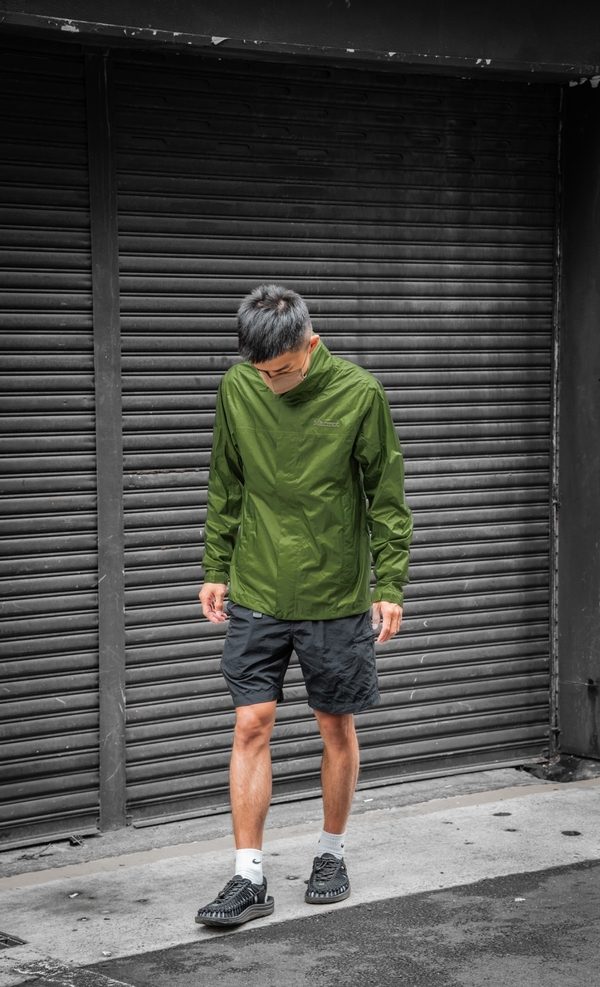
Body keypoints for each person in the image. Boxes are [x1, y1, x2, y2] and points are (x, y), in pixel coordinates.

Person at [196, 284, 412, 927]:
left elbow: (386, 497)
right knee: (250, 723)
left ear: (311, 346)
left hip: (334, 593)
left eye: (284, 370)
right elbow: (226, 482)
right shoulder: (239, 388)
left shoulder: (359, 394)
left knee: (334, 726)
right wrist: (215, 568)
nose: (273, 383)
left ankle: (330, 854)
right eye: (262, 372)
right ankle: (247, 877)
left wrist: (390, 584)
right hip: (258, 586)